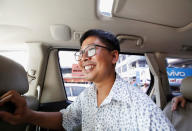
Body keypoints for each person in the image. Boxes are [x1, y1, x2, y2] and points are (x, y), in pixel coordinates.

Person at [0, 29, 175, 130]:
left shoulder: (141, 108)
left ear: (114, 56)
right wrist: (28, 115)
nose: (83, 58)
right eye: (80, 53)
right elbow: (66, 119)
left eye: (91, 50)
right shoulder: (88, 95)